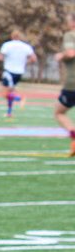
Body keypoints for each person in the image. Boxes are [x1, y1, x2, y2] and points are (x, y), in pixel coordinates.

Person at [0, 29, 37, 118]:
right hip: (19, 72)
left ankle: (20, 98)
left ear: (12, 36)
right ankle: (9, 112)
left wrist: (8, 60)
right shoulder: (26, 46)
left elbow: (0, 57)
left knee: (5, 94)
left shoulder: (7, 45)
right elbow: (34, 59)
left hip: (9, 71)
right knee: (10, 92)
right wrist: (25, 63)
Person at [54, 13, 75, 157]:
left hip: (73, 82)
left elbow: (71, 53)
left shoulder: (70, 35)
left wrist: (60, 56)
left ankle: (74, 136)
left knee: (59, 112)